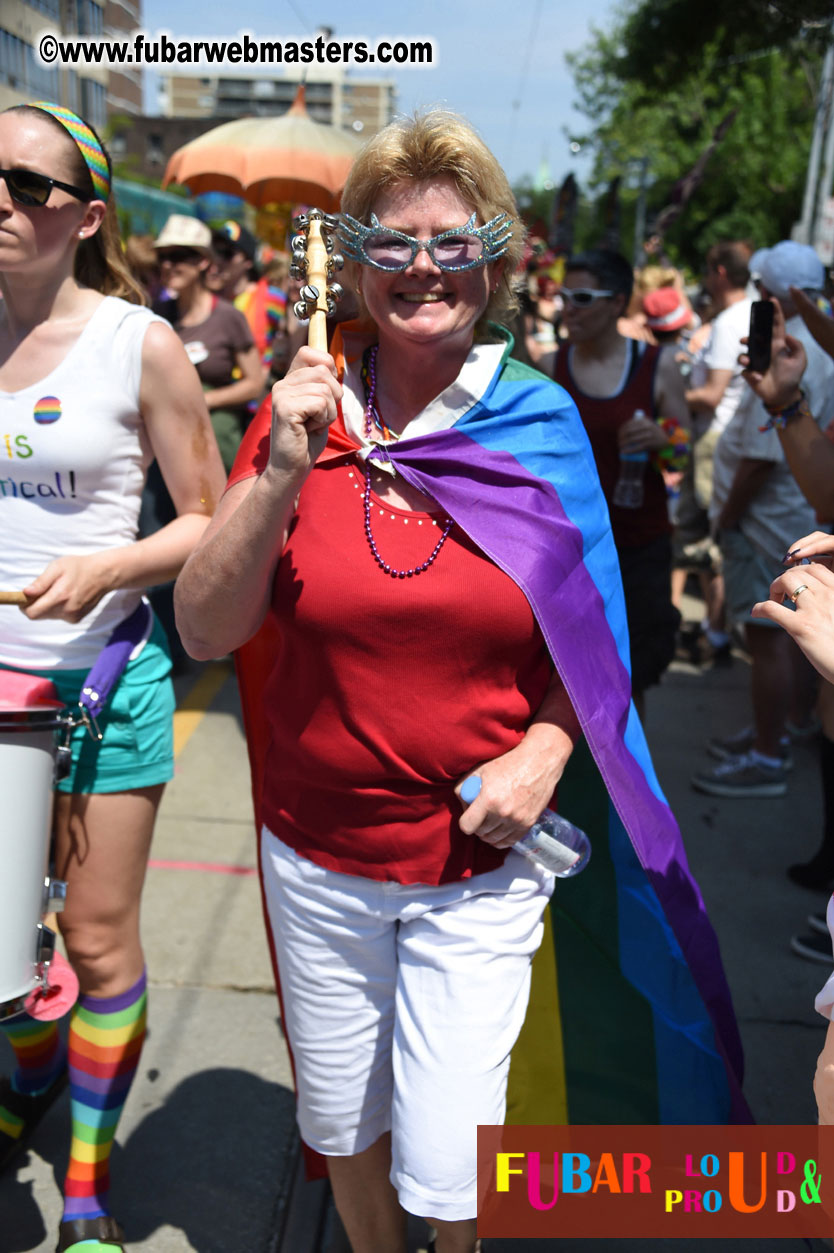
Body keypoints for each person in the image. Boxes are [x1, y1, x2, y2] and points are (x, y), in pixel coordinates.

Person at [175, 111, 747, 1253]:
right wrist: (280, 473)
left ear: (494, 254)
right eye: (392, 243)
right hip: (317, 855)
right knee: (345, 1127)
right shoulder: (304, 405)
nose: (423, 266)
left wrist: (542, 752)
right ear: (353, 261)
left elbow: (596, 643)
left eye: (451, 238)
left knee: (448, 1172)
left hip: (475, 868)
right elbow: (205, 625)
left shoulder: (538, 423)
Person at [0, 102, 226, 1252]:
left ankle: (85, 1182)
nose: (1, 200)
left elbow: (209, 519)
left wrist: (106, 566)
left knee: (94, 947)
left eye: (28, 186)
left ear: (85, 218)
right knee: (2, 948)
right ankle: (25, 1061)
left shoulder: (138, 340)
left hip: (99, 684)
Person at [691, 243, 834, 801]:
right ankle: (782, 734)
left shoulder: (806, 349)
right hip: (794, 524)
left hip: (766, 525)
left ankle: (768, 752)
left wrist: (726, 515)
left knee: (771, 642)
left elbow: (764, 464)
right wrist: (786, 404)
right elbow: (828, 497)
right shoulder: (812, 354)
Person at [554, 248, 690, 715]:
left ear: (617, 303)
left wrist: (662, 438)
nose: (569, 307)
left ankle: (629, 781)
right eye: (564, 296)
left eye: (583, 297)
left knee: (632, 677)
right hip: (572, 548)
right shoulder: (551, 365)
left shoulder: (656, 364)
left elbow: (684, 449)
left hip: (638, 545)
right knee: (569, 676)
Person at [152, 214, 263, 473]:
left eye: (177, 256)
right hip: (162, 444)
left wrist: (205, 399)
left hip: (212, 448)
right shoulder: (156, 313)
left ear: (202, 261)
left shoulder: (228, 317)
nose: (167, 265)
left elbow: (254, 383)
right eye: (162, 257)